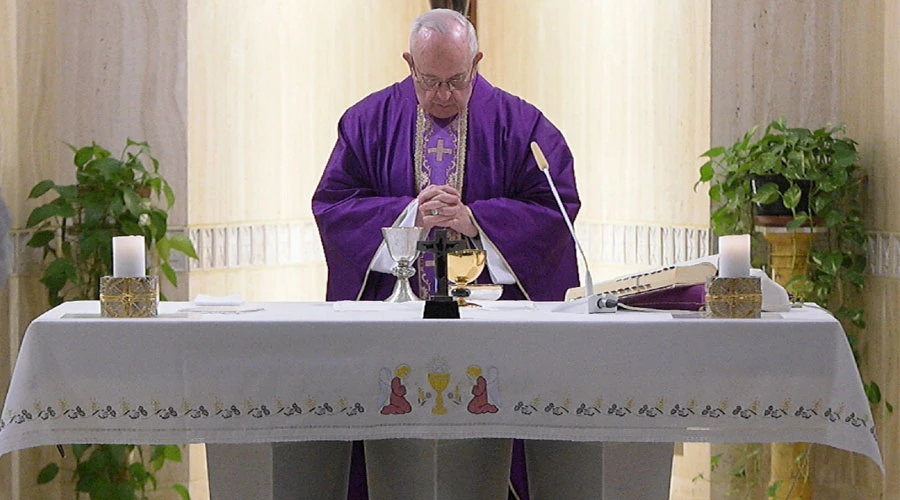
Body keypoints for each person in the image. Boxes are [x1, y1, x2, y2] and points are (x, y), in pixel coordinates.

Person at [312, 8, 672, 500]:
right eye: (430, 81)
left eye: (457, 81)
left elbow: (557, 207)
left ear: (477, 62)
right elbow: (333, 206)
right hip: (395, 326)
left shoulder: (521, 125)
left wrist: (476, 222)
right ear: (407, 64)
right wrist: (407, 217)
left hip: (491, 323)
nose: (443, 95)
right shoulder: (367, 122)